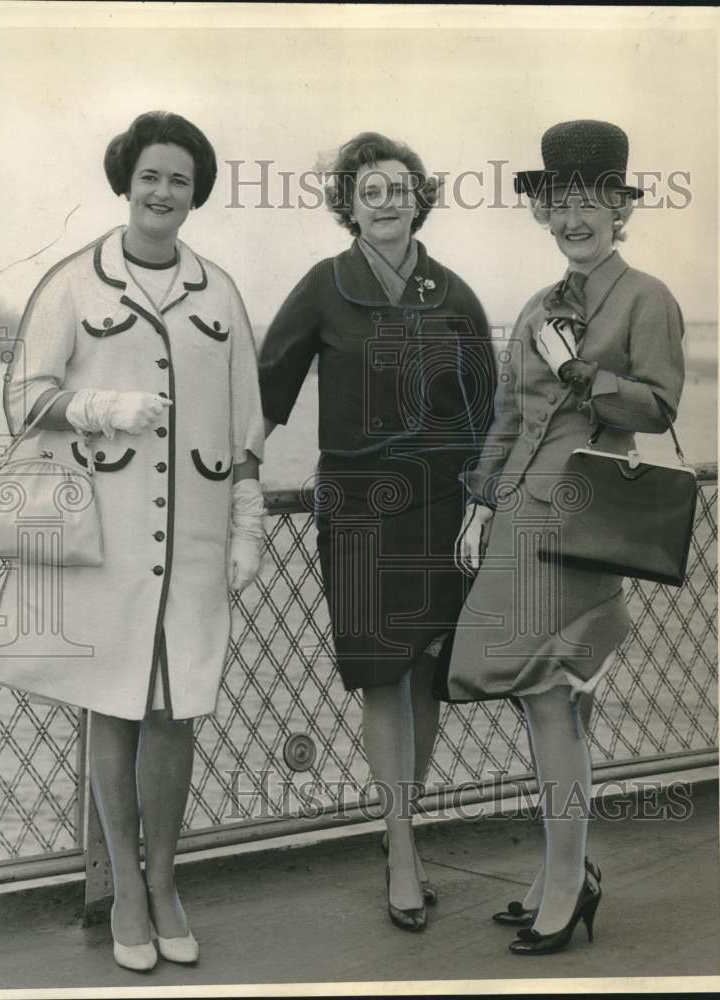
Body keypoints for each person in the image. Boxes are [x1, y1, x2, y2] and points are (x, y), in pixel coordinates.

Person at [0, 111, 265, 971]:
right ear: (125, 180)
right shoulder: (75, 282)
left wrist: (247, 518)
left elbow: (247, 419)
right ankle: (128, 897)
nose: (163, 193)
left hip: (194, 536)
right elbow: (22, 397)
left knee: (178, 708)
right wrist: (101, 405)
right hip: (105, 528)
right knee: (115, 701)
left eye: (179, 179)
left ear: (196, 193)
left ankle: (166, 880)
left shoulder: (218, 291)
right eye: (150, 176)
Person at [444, 120, 686, 954]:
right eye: (559, 203)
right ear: (543, 214)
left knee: (550, 696)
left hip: (583, 526)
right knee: (539, 700)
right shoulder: (534, 306)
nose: (573, 218)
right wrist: (480, 504)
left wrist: (587, 371)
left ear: (619, 210)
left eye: (590, 202)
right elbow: (510, 417)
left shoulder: (646, 297)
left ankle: (563, 885)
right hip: (518, 521)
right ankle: (564, 872)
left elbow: (656, 407)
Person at [259, 132, 496, 932]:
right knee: (378, 674)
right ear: (348, 204)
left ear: (418, 198)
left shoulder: (456, 295)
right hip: (359, 507)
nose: (385, 201)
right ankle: (400, 845)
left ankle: (402, 835)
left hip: (442, 507)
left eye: (399, 188)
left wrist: (488, 502)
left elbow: (488, 414)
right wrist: (223, 474)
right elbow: (268, 388)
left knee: (426, 667)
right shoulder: (324, 286)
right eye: (369, 190)